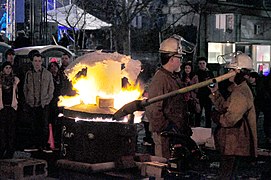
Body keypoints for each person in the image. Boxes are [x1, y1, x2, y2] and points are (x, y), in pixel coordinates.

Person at [208, 52, 257, 179]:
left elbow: (230, 119)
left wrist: (216, 117)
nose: (228, 71)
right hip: (232, 144)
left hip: (235, 144)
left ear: (240, 72)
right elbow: (225, 106)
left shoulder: (241, 93)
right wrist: (215, 93)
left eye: (231, 69)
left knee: (227, 175)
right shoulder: (237, 89)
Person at [145, 35, 192, 158]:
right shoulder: (160, 79)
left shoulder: (171, 77)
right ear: (171, 59)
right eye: (179, 58)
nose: (181, 62)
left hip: (174, 134)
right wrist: (167, 127)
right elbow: (153, 109)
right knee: (165, 165)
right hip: (165, 136)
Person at [23, 52, 54, 153]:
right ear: (32, 62)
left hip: (43, 104)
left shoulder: (47, 74)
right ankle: (34, 144)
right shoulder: (29, 74)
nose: (37, 63)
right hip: (32, 104)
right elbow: (25, 88)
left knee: (44, 125)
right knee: (33, 125)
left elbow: (51, 88)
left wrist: (47, 100)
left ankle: (44, 145)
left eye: (39, 61)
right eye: (35, 61)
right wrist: (28, 99)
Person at [0, 61, 19, 159]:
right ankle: (2, 148)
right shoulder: (0, 80)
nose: (8, 70)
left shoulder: (15, 80)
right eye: (6, 68)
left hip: (11, 107)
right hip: (2, 108)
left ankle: (10, 150)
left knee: (11, 130)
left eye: (9, 68)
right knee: (2, 130)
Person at [48, 62, 63, 148]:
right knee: (52, 121)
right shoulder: (49, 77)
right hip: (51, 101)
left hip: (60, 100)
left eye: (55, 66)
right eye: (51, 67)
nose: (54, 68)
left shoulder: (61, 77)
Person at [195, 57, 214, 128]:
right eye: (200, 64)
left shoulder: (210, 73)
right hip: (199, 96)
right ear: (198, 65)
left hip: (208, 96)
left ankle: (208, 129)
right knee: (198, 113)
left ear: (206, 64)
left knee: (208, 114)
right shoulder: (196, 74)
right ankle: (197, 130)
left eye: (203, 63)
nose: (202, 65)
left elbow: (213, 84)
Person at [181, 61, 200, 127]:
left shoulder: (195, 77)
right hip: (184, 98)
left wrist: (190, 83)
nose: (187, 69)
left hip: (192, 98)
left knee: (192, 114)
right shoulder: (182, 77)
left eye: (189, 68)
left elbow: (197, 88)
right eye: (186, 68)